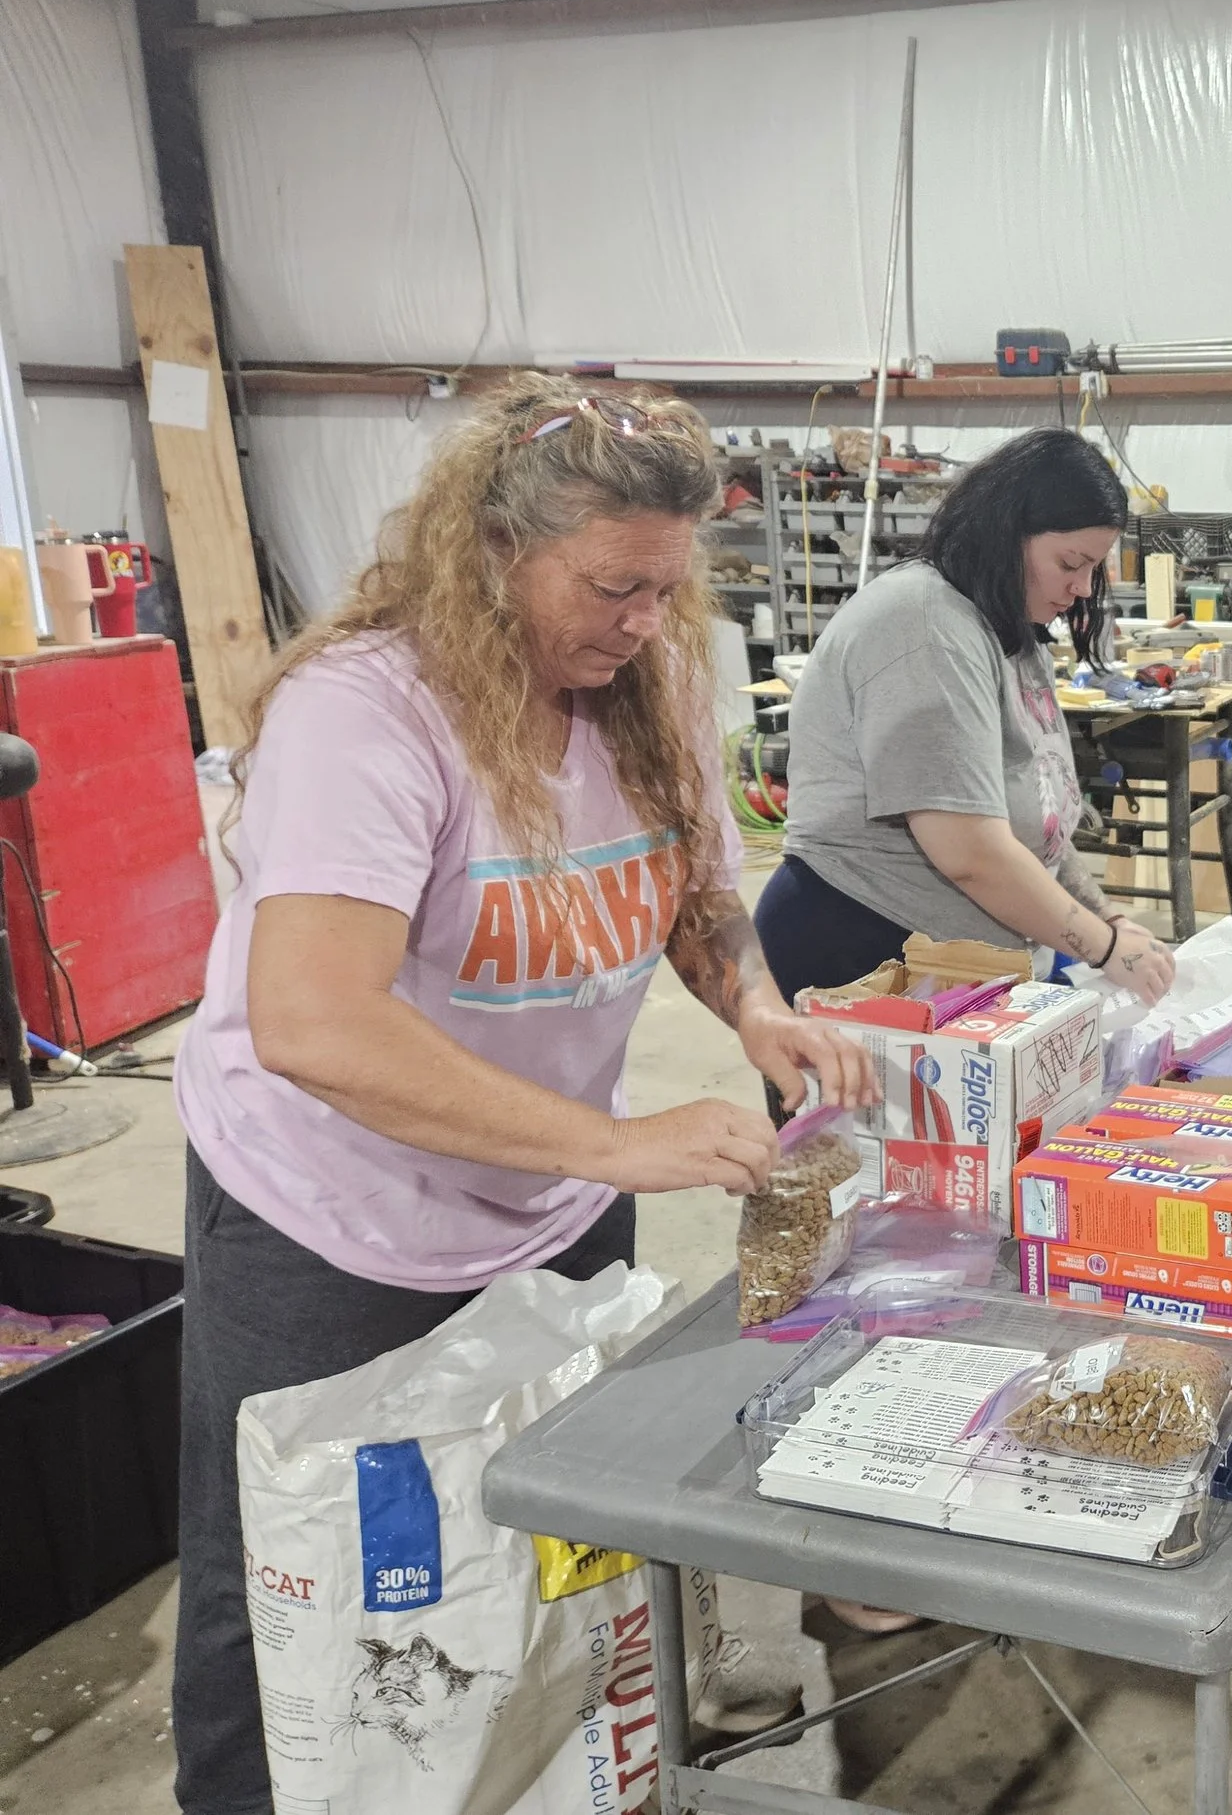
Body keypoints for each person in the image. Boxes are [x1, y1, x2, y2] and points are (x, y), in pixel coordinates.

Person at [171, 377, 879, 1815]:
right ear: (494, 549)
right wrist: (620, 1143)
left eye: (665, 588)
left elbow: (695, 886)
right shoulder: (366, 713)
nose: (639, 621)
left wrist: (754, 1003)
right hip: (333, 1223)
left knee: (544, 1541)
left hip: (549, 1200)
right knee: (300, 1577)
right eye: (612, 584)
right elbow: (314, 1019)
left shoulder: (647, 677)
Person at [760, 427, 1174, 1005]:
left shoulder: (1004, 625)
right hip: (869, 949)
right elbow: (971, 852)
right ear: (1007, 534)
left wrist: (1108, 918)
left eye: (1092, 568)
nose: (1081, 588)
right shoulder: (926, 627)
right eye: (1070, 563)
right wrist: (1101, 946)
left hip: (962, 956)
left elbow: (1038, 819)